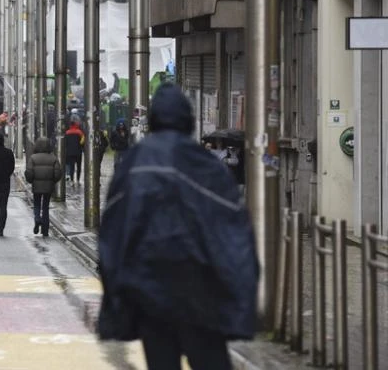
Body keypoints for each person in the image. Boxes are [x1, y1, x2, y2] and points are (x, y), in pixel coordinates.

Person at [96, 84, 259, 370]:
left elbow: (113, 232)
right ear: (188, 120)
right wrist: (241, 301)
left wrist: (117, 295)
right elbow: (234, 236)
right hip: (201, 293)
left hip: (150, 296)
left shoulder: (134, 163)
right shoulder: (207, 165)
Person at [24, 137, 59, 237]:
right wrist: (52, 181)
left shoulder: (33, 158)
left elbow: (29, 172)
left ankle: (37, 219)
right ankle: (45, 230)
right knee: (46, 207)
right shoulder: (53, 158)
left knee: (37, 204)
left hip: (36, 186)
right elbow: (58, 173)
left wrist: (31, 181)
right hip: (48, 187)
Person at [64, 118, 85, 184]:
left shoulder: (67, 133)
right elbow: (83, 141)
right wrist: (80, 145)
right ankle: (78, 180)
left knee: (72, 166)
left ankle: (72, 180)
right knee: (79, 166)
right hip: (78, 152)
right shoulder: (80, 132)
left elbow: (65, 142)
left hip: (70, 152)